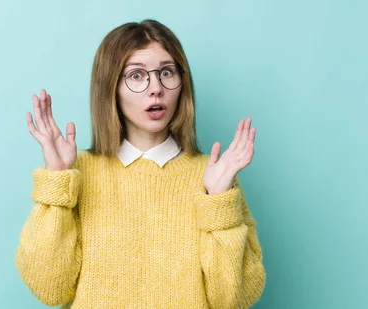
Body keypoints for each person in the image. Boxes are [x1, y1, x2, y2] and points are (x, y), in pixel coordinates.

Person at [15, 19, 266, 308]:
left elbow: (233, 299)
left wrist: (218, 200)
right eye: (136, 76)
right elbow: (49, 287)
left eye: (167, 72)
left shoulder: (213, 177)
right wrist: (57, 180)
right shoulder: (76, 174)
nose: (156, 88)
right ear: (111, 87)